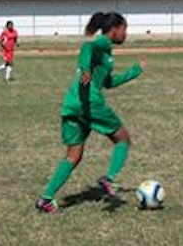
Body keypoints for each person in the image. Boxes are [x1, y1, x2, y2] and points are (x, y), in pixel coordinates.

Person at [35, 12, 145, 215]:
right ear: (115, 29)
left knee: (74, 155)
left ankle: (46, 199)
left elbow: (108, 82)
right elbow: (87, 46)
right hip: (89, 102)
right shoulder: (102, 43)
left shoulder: (106, 52)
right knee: (123, 139)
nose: (126, 34)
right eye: (125, 29)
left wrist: (133, 73)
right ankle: (108, 179)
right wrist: (84, 68)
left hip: (72, 103)